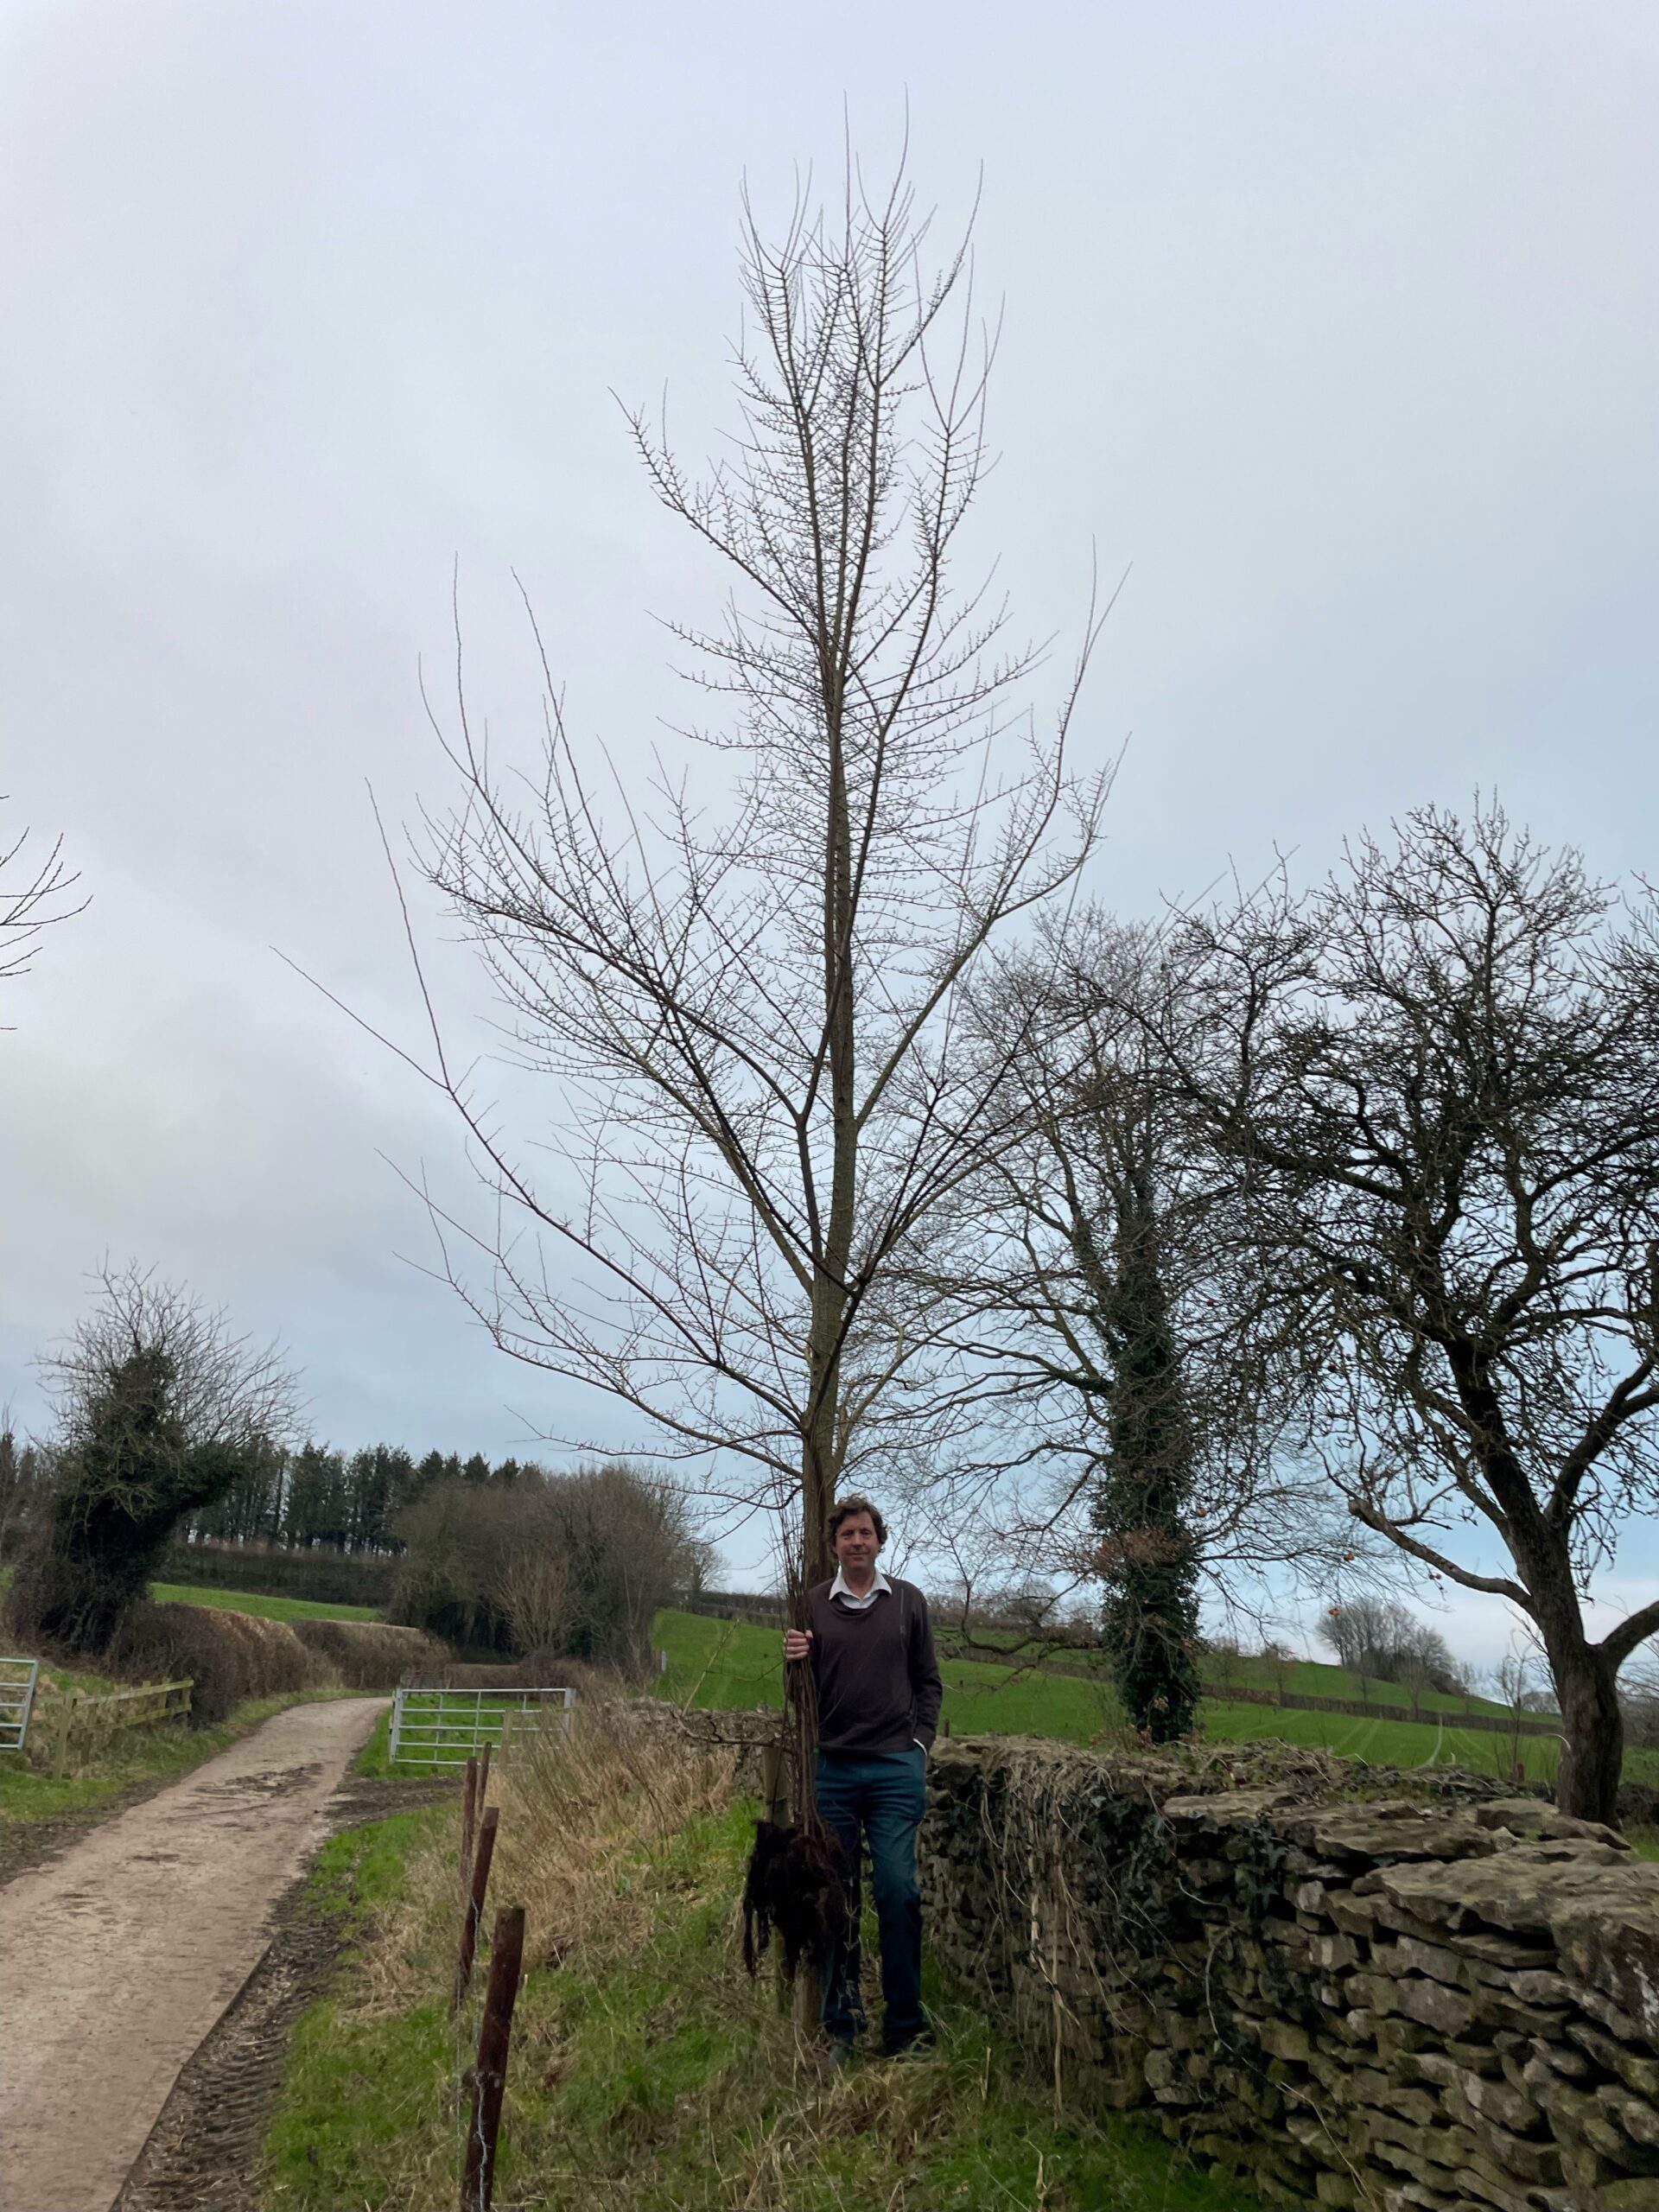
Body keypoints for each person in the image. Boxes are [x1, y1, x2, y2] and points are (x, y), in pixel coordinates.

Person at [782, 1494, 944, 2059]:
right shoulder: (811, 1607)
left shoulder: (908, 1603)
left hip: (896, 1770)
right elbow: (797, 1694)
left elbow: (929, 1683)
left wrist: (919, 1746)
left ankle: (904, 2028)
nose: (857, 1542)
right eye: (847, 1534)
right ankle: (843, 2028)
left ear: (880, 1541)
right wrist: (793, 1660)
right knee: (835, 1897)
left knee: (897, 1891)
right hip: (835, 1772)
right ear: (833, 1545)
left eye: (865, 1533)